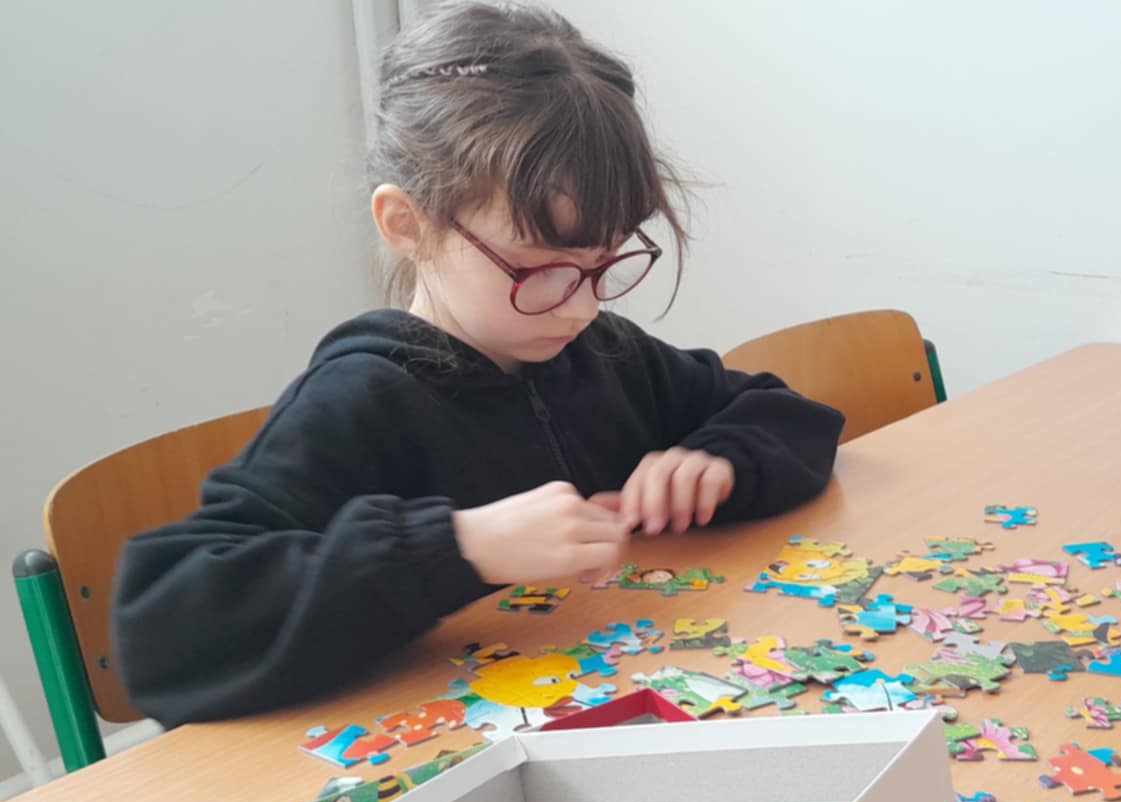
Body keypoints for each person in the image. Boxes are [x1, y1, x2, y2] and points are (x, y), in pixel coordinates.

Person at [112, 1, 843, 728]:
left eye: (603, 263)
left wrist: (718, 460)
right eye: (539, 269)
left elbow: (787, 415)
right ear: (408, 224)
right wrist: (459, 548)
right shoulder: (357, 399)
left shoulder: (605, 355)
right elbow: (162, 632)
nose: (580, 306)